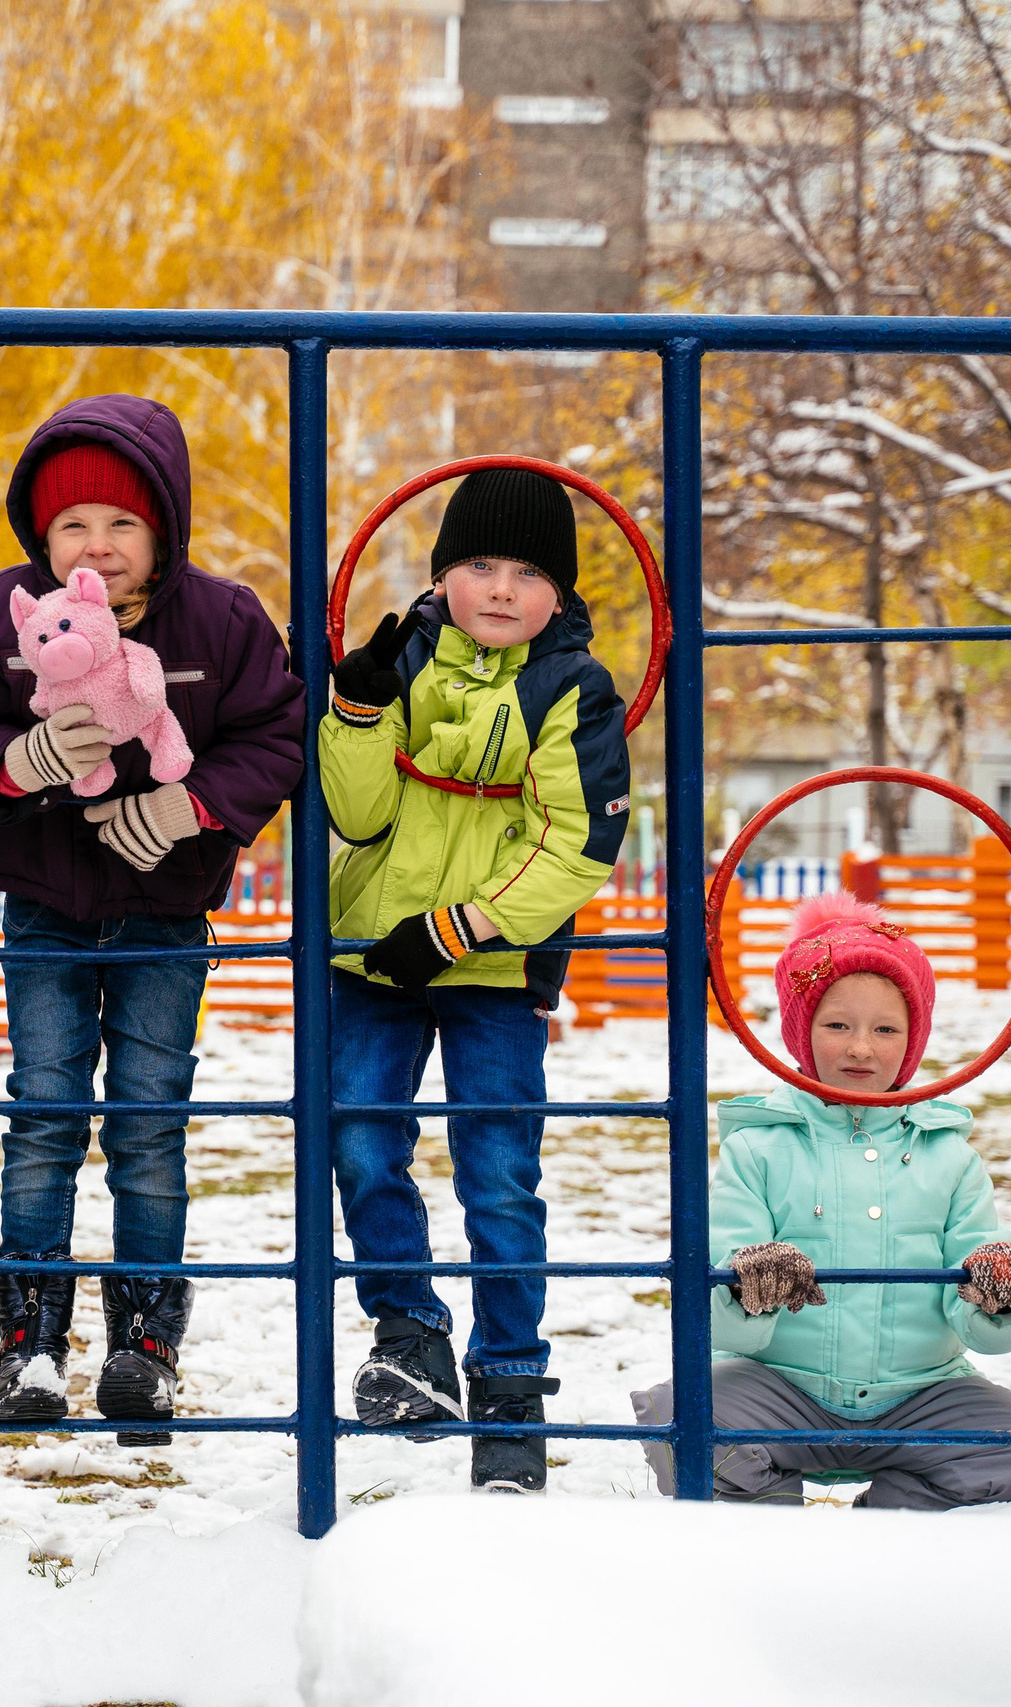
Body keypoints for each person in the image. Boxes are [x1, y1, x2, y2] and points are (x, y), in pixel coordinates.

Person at [0, 396, 306, 1443]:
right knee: (43, 1116)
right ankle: (31, 1342)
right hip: (44, 907)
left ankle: (145, 1341)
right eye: (70, 526)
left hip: (162, 910)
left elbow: (273, 736)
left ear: (162, 533)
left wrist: (191, 806)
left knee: (148, 1125)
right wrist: (8, 766)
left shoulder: (222, 621)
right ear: (40, 540)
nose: (94, 545)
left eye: (121, 525)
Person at [320, 466, 632, 1492]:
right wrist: (359, 712)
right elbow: (357, 815)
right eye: (479, 566)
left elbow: (576, 843)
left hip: (491, 964)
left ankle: (509, 1380)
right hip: (373, 952)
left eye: (529, 572)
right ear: (443, 574)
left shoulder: (571, 688)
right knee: (360, 1135)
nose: (501, 589)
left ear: (560, 593)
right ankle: (409, 1332)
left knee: (498, 1175)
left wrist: (460, 928)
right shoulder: (400, 656)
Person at [632, 891, 1011, 1508]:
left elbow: (975, 1320)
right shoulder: (758, 1150)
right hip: (779, 1384)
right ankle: (767, 1526)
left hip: (921, 1392)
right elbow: (719, 1312)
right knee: (684, 1413)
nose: (861, 1048)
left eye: (886, 1030)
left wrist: (999, 1296)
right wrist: (748, 1289)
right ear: (802, 1033)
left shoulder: (951, 1159)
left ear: (913, 1041)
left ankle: (897, 1517)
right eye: (837, 1026)